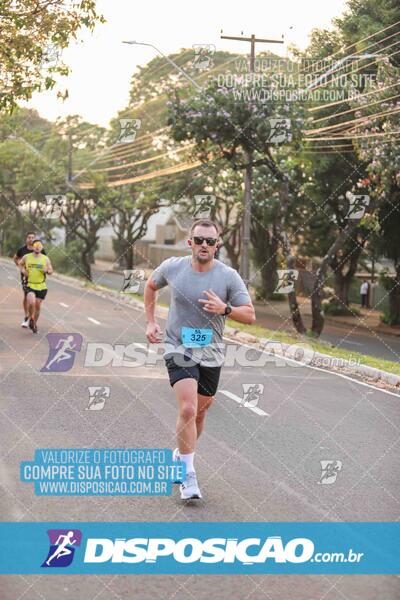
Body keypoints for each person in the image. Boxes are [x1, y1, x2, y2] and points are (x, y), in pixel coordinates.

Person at [144, 219, 256, 500]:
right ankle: (188, 476)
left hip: (211, 352)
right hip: (178, 347)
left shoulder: (229, 276)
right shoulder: (172, 267)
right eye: (199, 239)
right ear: (189, 242)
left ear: (218, 245)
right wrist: (149, 322)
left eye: (210, 241)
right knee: (188, 410)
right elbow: (150, 286)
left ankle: (179, 455)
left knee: (200, 413)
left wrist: (225, 308)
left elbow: (250, 315)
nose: (204, 245)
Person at [18, 239, 53, 333]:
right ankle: (31, 317)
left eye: (39, 246)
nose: (37, 247)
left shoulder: (45, 259)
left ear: (41, 247)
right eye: (36, 245)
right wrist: (23, 271)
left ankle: (34, 323)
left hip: (41, 286)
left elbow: (51, 271)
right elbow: (20, 264)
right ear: (33, 247)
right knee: (32, 302)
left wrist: (47, 271)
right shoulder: (26, 257)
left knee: (37, 305)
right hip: (30, 284)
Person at [13, 232, 46, 328]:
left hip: (39, 278)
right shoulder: (22, 250)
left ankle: (32, 318)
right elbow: (15, 259)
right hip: (26, 277)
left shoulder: (40, 249)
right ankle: (27, 316)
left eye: (33, 237)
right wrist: (22, 269)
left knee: (36, 301)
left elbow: (45, 261)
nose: (31, 239)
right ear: (26, 239)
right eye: (29, 237)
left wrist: (45, 270)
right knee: (27, 295)